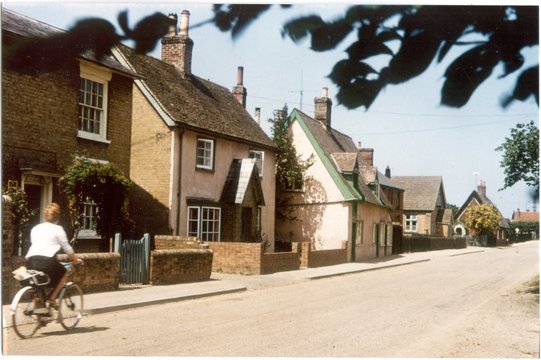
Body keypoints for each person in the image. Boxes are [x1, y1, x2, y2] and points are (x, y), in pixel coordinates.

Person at [25, 203, 83, 311]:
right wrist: (75, 260)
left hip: (31, 261)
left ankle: (39, 316)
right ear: (58, 218)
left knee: (39, 286)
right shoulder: (58, 229)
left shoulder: (36, 228)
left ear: (45, 216)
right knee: (66, 271)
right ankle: (52, 299)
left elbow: (35, 244)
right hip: (47, 262)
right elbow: (67, 248)